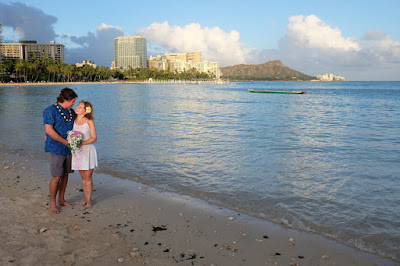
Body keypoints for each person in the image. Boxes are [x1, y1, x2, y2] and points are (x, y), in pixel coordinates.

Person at [43, 88, 78, 213]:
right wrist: (65, 142)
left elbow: (80, 122)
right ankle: (53, 203)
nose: (74, 103)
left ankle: (61, 199)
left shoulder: (70, 112)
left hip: (68, 148)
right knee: (56, 177)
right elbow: (49, 130)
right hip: (55, 148)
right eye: (73, 101)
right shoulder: (50, 110)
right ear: (65, 100)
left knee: (66, 175)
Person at [71, 101, 98, 208]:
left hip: (87, 151)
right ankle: (86, 199)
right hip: (77, 152)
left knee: (88, 177)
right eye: (78, 105)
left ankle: (89, 201)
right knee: (83, 177)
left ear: (86, 111)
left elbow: (94, 138)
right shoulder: (72, 120)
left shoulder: (89, 121)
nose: (77, 107)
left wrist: (82, 143)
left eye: (80, 107)